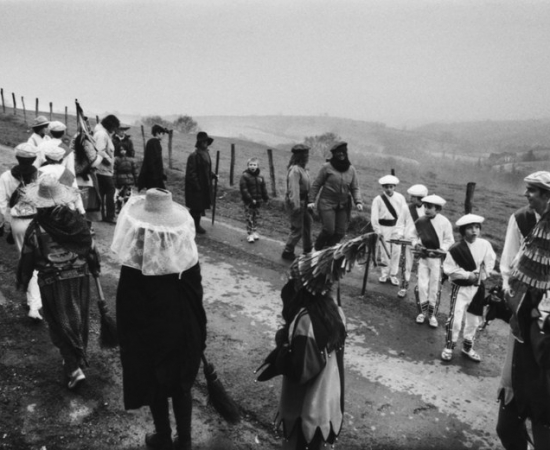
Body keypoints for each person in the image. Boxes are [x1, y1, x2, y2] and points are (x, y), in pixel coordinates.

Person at [112, 188, 206, 450]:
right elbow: (195, 293)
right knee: (180, 384)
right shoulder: (186, 253)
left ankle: (163, 435)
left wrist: (129, 338)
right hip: (182, 328)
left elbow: (127, 303)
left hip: (150, 333)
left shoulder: (135, 258)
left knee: (155, 382)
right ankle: (184, 440)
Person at [16, 175, 100, 389]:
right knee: (78, 319)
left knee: (58, 324)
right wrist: (94, 266)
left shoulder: (36, 227)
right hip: (80, 277)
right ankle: (75, 358)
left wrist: (24, 280)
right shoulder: (75, 221)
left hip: (53, 281)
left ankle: (73, 368)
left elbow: (28, 257)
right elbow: (90, 245)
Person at [496, 171, 550, 449]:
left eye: (532, 190)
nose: (526, 195)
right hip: (523, 307)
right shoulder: (520, 219)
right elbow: (508, 262)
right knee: (514, 384)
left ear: (546, 194)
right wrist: (511, 291)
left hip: (547, 319)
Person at [441, 214, 496, 362]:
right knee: (456, 319)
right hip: (460, 288)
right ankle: (449, 346)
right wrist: (467, 275)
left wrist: (481, 275)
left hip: (477, 288)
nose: (474, 231)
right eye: (470, 228)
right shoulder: (456, 249)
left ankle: (467, 347)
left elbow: (490, 262)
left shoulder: (484, 244)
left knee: (474, 320)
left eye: (477, 227)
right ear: (463, 231)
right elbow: (449, 269)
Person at [0, 143, 42, 320]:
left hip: (18, 222)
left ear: (17, 157)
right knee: (39, 259)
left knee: (25, 258)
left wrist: (7, 222)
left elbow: (2, 205)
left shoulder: (6, 177)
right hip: (39, 222)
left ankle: (33, 301)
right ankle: (35, 303)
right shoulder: (39, 175)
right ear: (34, 158)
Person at [308, 142, 363, 251]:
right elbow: (317, 184)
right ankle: (316, 248)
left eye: (343, 153)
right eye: (338, 153)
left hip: (343, 205)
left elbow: (355, 187)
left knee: (340, 232)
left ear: (346, 153)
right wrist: (311, 200)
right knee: (329, 230)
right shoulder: (327, 167)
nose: (341, 155)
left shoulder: (351, 169)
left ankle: (327, 251)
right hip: (327, 202)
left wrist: (358, 202)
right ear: (334, 154)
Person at [411, 194, 454, 328]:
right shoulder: (420, 221)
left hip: (436, 259)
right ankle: (422, 312)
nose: (427, 210)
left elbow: (449, 239)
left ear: (438, 209)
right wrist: (417, 245)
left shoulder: (444, 222)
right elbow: (413, 236)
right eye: (425, 206)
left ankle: (432, 314)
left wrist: (442, 248)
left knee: (434, 287)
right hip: (424, 258)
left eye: (430, 207)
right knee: (422, 285)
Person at [371, 175, 407, 286]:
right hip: (383, 227)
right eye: (386, 187)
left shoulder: (400, 198)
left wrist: (402, 230)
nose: (389, 189)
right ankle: (384, 273)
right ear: (383, 187)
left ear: (394, 187)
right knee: (384, 251)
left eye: (391, 187)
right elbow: (374, 216)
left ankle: (393, 274)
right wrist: (377, 230)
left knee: (397, 251)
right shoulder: (378, 199)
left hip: (396, 227)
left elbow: (404, 214)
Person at [281, 144, 312, 261]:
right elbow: (294, 190)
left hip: (304, 201)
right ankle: (287, 251)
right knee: (297, 228)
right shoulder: (295, 170)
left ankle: (308, 249)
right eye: (305, 155)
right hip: (296, 202)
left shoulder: (303, 169)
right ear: (300, 156)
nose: (307, 157)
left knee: (308, 224)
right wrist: (296, 206)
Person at [37, 141, 85, 215]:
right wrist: (81, 209)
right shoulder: (67, 172)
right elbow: (74, 190)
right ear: (62, 159)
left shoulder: (41, 170)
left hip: (45, 206)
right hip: (64, 208)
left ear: (46, 158)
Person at [397, 184, 428, 298]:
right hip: (407, 240)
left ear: (419, 198)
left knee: (422, 265)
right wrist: (400, 235)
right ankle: (404, 287)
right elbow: (400, 223)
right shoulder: (406, 208)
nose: (410, 198)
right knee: (406, 265)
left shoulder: (427, 209)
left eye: (413, 196)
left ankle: (420, 288)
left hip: (422, 242)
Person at [185, 131, 217, 235]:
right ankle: (193, 226)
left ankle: (194, 225)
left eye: (206, 142)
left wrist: (212, 175)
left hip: (204, 186)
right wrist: (197, 187)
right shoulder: (194, 155)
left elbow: (206, 169)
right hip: (196, 187)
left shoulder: (205, 153)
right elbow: (191, 173)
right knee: (196, 208)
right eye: (203, 142)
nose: (205, 143)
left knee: (199, 207)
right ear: (199, 143)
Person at [71, 117, 103, 221]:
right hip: (85, 177)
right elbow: (93, 161)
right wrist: (100, 156)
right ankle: (86, 225)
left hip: (76, 176)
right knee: (85, 203)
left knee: (79, 202)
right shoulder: (85, 140)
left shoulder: (75, 139)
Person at [94, 115, 120, 223]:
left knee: (102, 191)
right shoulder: (102, 134)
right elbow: (100, 150)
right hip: (102, 169)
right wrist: (109, 161)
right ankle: (110, 216)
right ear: (110, 125)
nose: (114, 130)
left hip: (103, 170)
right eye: (114, 127)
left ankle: (101, 215)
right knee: (110, 190)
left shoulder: (104, 133)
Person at [239, 157, 269, 243]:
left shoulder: (260, 177)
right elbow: (244, 190)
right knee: (249, 217)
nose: (253, 166)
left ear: (257, 166)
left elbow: (263, 189)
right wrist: (250, 199)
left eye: (254, 165)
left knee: (256, 216)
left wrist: (266, 198)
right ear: (248, 165)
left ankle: (255, 231)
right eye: (251, 165)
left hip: (258, 201)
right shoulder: (245, 176)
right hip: (249, 201)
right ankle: (250, 234)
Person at [137, 124, 167, 191]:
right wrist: (156, 174)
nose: (163, 136)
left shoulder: (152, 142)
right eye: (162, 133)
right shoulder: (154, 142)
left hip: (154, 174)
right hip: (153, 175)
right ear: (157, 133)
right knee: (159, 193)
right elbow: (153, 159)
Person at [113, 146, 138, 214]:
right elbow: (115, 171)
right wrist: (115, 180)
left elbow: (135, 171)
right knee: (120, 196)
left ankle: (126, 210)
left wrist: (136, 180)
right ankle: (118, 208)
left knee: (127, 195)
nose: (123, 151)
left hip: (129, 180)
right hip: (120, 181)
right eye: (121, 150)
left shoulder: (131, 160)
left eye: (124, 150)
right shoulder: (117, 159)